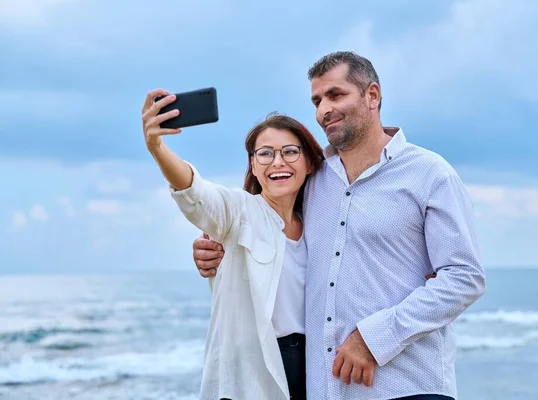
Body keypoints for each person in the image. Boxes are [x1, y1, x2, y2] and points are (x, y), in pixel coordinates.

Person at [191, 51, 486, 400]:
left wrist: (374, 338)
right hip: (327, 390)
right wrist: (219, 249)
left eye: (335, 95)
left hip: (407, 387)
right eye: (317, 100)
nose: (323, 110)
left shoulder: (430, 174)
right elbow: (273, 230)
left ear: (372, 95)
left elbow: (464, 276)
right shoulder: (312, 180)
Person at [141, 90, 326, 400]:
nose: (277, 161)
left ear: (309, 163)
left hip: (313, 369)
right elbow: (195, 193)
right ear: (253, 166)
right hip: (251, 371)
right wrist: (157, 147)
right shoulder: (239, 212)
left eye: (290, 151)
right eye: (264, 153)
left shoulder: (321, 227)